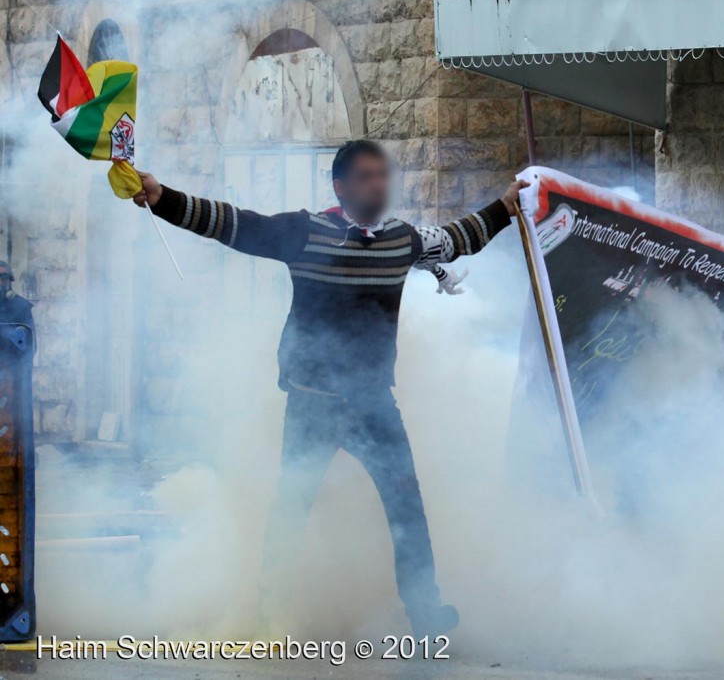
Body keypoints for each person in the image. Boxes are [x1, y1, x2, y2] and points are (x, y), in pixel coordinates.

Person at [132, 139, 529, 636]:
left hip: (373, 404)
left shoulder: (402, 239)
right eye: (366, 176)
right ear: (341, 186)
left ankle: (426, 612)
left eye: (384, 176)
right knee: (291, 507)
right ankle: (266, 613)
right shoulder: (303, 232)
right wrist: (161, 195)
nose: (378, 185)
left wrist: (507, 206)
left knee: (407, 506)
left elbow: (457, 239)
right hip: (312, 405)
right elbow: (232, 224)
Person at [0, 261, 35, 348]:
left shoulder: (22, 306)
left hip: (13, 360)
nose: (0, 282)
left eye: (4, 277)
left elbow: (32, 345)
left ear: (9, 280)